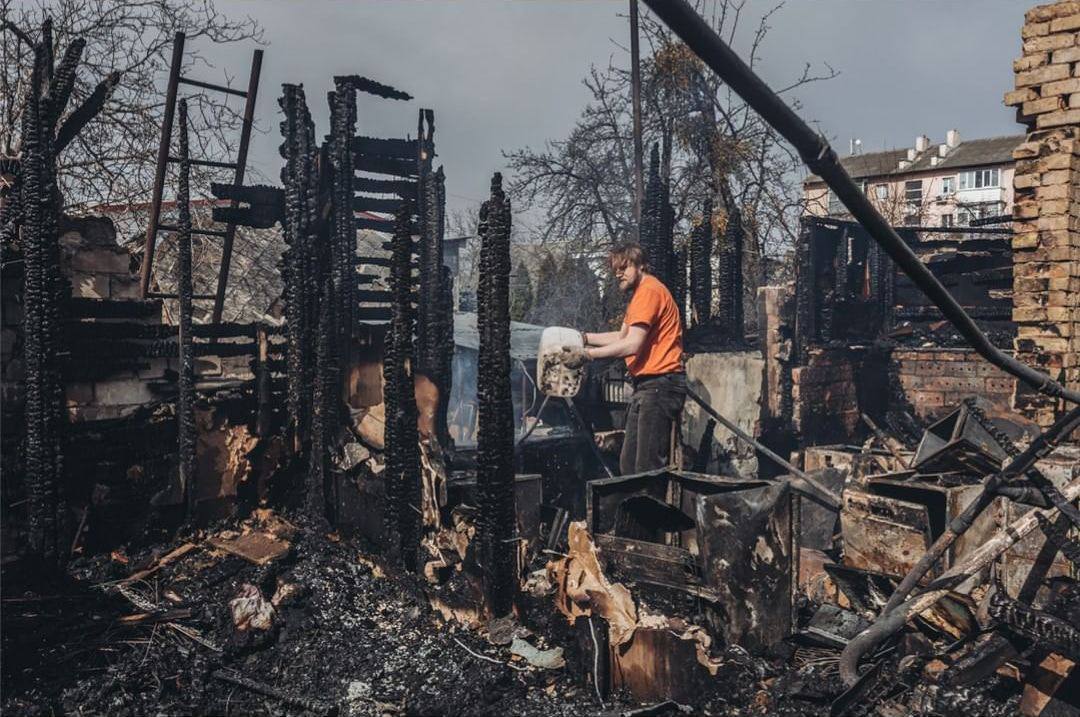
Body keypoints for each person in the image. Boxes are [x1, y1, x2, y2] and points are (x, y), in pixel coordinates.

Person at [577, 242, 685, 475]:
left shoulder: (649, 291)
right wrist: (583, 338)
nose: (618, 274)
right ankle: (635, 510)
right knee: (629, 465)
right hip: (647, 386)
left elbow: (632, 345)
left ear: (641, 265)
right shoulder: (640, 296)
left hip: (659, 385)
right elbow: (622, 336)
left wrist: (587, 355)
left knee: (647, 467)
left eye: (624, 267)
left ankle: (651, 511)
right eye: (615, 269)